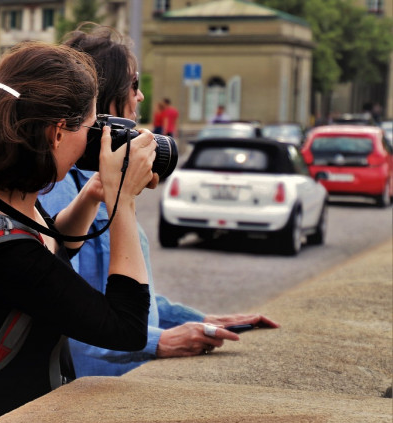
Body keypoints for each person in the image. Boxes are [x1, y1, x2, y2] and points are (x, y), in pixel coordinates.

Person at [38, 24, 279, 377]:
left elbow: (124, 295)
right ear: (103, 97)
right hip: (87, 390)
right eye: (134, 85)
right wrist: (160, 341)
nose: (140, 98)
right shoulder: (58, 185)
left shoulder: (94, 179)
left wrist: (198, 320)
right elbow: (63, 310)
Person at [0, 40, 157, 423]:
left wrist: (93, 194)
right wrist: (122, 201)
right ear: (58, 133)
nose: (93, 141)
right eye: (91, 129)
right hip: (3, 421)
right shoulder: (3, 252)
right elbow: (126, 329)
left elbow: (51, 250)